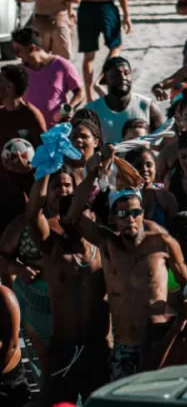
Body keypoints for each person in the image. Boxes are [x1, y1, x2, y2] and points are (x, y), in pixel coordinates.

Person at [65, 159, 187, 379]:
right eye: (122, 214)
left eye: (135, 212)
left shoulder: (162, 242)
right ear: (113, 219)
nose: (130, 219)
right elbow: (73, 216)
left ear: (143, 213)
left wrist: (184, 317)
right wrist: (95, 171)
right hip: (124, 346)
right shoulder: (107, 244)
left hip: (157, 343)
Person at [27, 173, 109, 406]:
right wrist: (44, 172)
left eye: (79, 214)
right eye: (68, 215)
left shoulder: (105, 249)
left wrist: (94, 171)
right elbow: (32, 213)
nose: (73, 220)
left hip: (99, 348)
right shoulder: (52, 249)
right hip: (64, 347)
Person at [11, 27, 83, 128]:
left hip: (58, 130)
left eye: (18, 50)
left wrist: (69, 108)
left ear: (32, 48)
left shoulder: (62, 65)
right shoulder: (20, 71)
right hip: (31, 130)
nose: (16, 55)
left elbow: (80, 92)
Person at [85, 56, 163, 143]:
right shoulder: (91, 110)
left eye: (126, 73)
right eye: (116, 74)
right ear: (106, 78)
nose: (123, 77)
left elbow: (161, 145)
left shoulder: (148, 106)